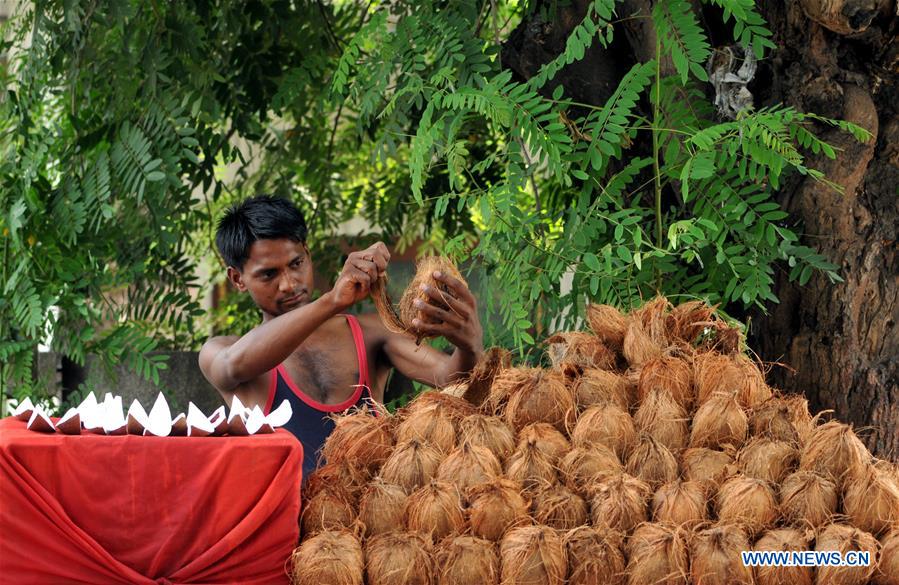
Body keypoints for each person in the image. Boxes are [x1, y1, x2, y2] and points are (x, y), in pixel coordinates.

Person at [199, 195, 484, 479]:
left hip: (375, 516)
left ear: (307, 255)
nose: (288, 284)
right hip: (286, 521)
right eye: (268, 274)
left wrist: (469, 345)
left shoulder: (371, 333)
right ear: (237, 279)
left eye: (296, 263)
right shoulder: (223, 351)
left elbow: (451, 378)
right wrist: (333, 300)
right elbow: (232, 365)